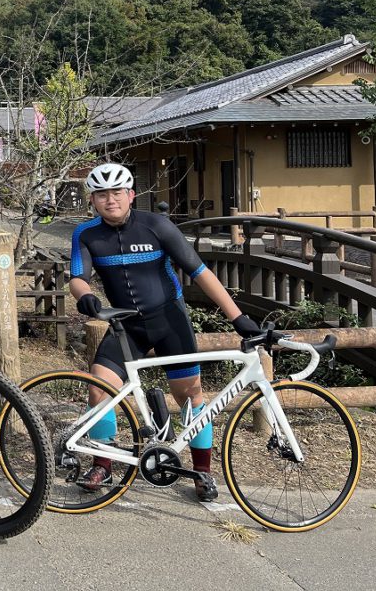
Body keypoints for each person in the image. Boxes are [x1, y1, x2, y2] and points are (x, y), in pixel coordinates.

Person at [68, 162, 261, 502]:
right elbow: (78, 276)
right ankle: (103, 464)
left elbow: (200, 272)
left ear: (131, 195)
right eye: (101, 195)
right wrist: (84, 295)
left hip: (169, 321)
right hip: (125, 325)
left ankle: (202, 472)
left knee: (190, 396)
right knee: (99, 390)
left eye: (117, 193)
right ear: (93, 200)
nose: (110, 200)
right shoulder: (86, 234)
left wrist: (238, 317)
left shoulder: (157, 225)